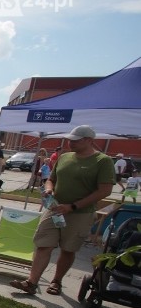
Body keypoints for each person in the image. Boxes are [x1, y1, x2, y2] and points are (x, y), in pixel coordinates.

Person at [10, 125, 114, 297]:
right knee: (43, 244)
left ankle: (56, 281)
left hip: (79, 213)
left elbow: (104, 190)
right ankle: (31, 282)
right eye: (69, 139)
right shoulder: (64, 157)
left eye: (75, 140)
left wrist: (73, 206)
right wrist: (49, 189)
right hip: (55, 209)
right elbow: (51, 179)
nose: (70, 143)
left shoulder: (102, 161)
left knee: (68, 249)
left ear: (89, 140)